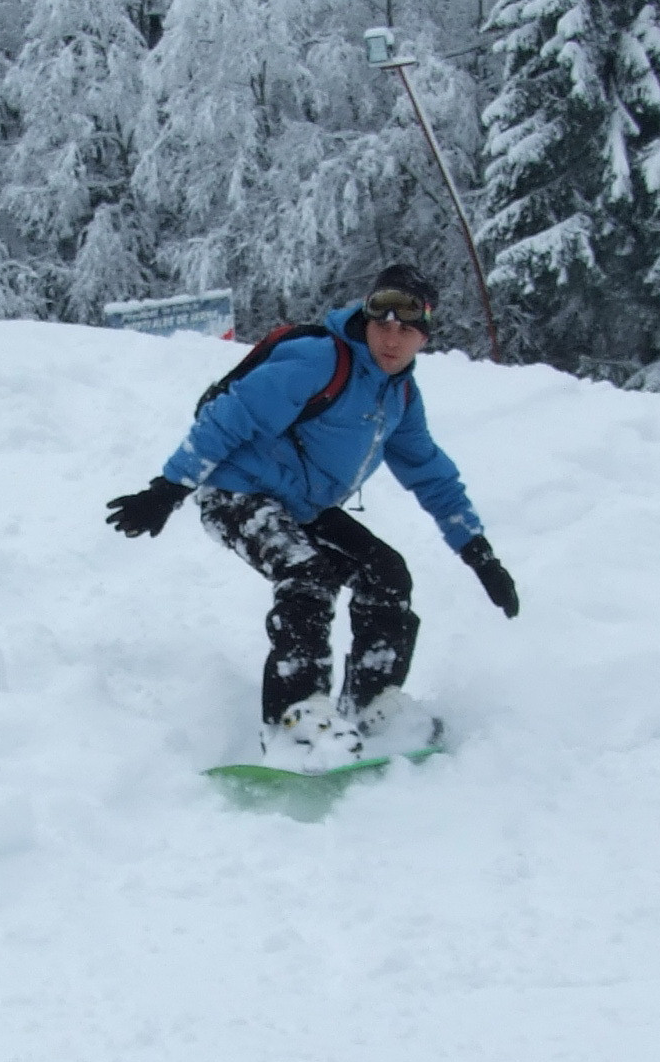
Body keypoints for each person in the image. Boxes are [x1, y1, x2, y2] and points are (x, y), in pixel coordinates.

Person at [107, 263, 520, 764]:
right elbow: (229, 416)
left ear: (424, 337)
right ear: (365, 321)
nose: (392, 338)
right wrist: (168, 489)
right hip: (236, 493)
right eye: (382, 324)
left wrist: (480, 555)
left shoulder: (400, 398)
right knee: (307, 574)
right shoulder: (319, 361)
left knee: (386, 573)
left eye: (407, 328)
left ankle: (370, 704)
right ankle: (296, 721)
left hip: (300, 506)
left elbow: (432, 476)